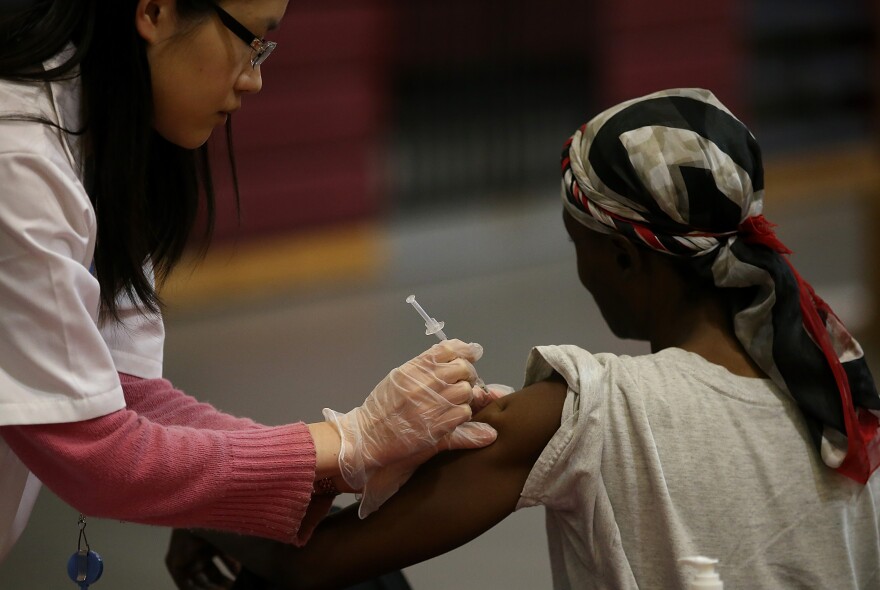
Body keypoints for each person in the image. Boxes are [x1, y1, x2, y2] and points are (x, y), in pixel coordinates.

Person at [171, 88, 880, 590]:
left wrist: (202, 510)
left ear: (628, 257)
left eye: (581, 245)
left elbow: (310, 564)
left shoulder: (594, 411)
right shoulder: (835, 404)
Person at [0, 0, 502, 568]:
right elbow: (99, 453)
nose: (255, 77)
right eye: (251, 41)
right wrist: (352, 440)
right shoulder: (17, 158)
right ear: (155, 10)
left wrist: (348, 460)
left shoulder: (99, 127)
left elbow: (125, 390)